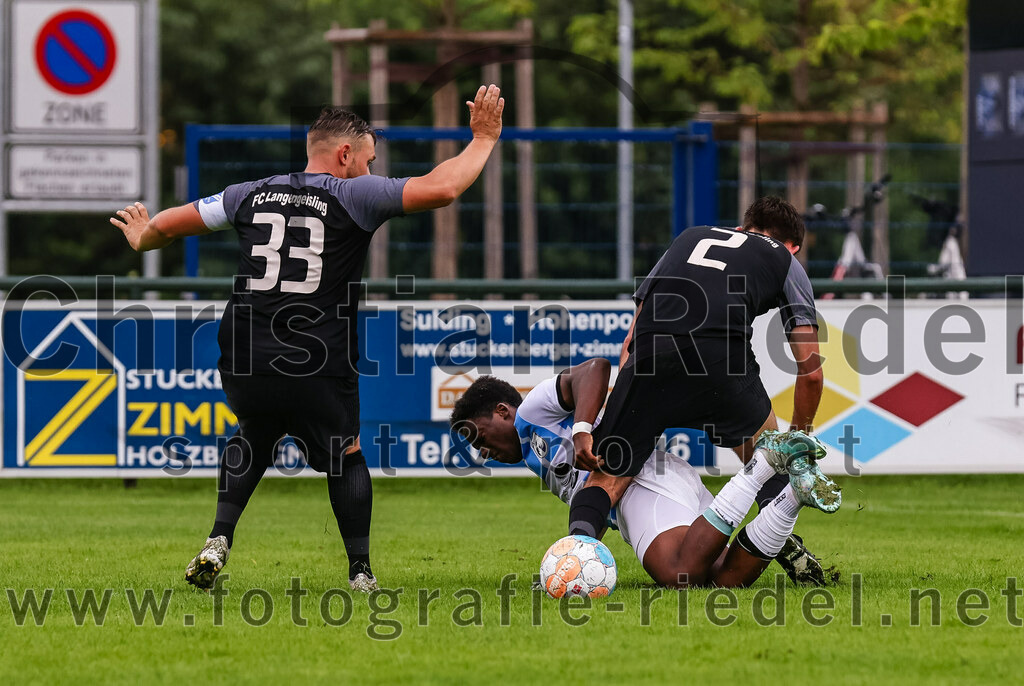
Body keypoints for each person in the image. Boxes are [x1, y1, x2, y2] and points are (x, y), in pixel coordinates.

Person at [110, 85, 505, 592]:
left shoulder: (248, 192)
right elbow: (442, 188)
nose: (371, 170)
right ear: (344, 155)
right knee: (346, 452)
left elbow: (168, 223)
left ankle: (218, 538)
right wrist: (484, 138)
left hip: (245, 352)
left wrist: (144, 236)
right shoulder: (354, 193)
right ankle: (360, 571)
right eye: (369, 160)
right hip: (316, 354)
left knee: (255, 430)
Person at [565, 197, 831, 583]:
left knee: (605, 478)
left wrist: (622, 409)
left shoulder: (689, 237)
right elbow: (811, 374)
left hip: (650, 359)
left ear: (742, 228)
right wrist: (800, 439)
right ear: (793, 246)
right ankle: (787, 537)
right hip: (721, 362)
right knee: (771, 462)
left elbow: (630, 340)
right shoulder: (787, 261)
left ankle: (572, 557)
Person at [449, 364, 840, 588]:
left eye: (479, 437)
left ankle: (762, 466)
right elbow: (592, 501)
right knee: (724, 578)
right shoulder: (534, 455)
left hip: (643, 486)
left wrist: (584, 426)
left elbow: (593, 370)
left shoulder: (530, 412)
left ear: (502, 411)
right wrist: (571, 559)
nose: (483, 452)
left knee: (679, 573)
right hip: (668, 479)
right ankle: (790, 499)